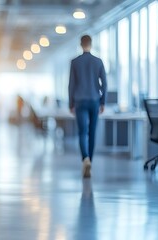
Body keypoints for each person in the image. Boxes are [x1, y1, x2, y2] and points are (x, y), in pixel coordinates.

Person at [68, 35, 107, 178]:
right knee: (92, 132)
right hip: (94, 100)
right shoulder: (98, 62)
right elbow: (105, 83)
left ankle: (85, 158)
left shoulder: (75, 62)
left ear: (80, 44)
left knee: (82, 132)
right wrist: (103, 102)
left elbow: (71, 85)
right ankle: (90, 159)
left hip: (80, 101)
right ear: (91, 44)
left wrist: (71, 103)